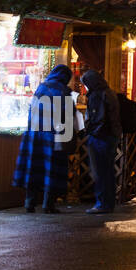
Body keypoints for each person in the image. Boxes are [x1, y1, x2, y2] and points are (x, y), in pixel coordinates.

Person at [13, 64, 77, 214]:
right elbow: (68, 117)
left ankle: (29, 203)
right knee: (51, 170)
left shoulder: (41, 88)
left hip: (34, 136)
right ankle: (48, 205)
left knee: (34, 168)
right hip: (53, 137)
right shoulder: (64, 92)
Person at [79, 68, 122, 215]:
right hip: (111, 136)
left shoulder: (97, 95)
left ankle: (102, 203)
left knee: (100, 171)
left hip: (100, 137)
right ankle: (108, 203)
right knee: (108, 171)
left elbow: (98, 119)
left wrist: (89, 130)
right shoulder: (109, 92)